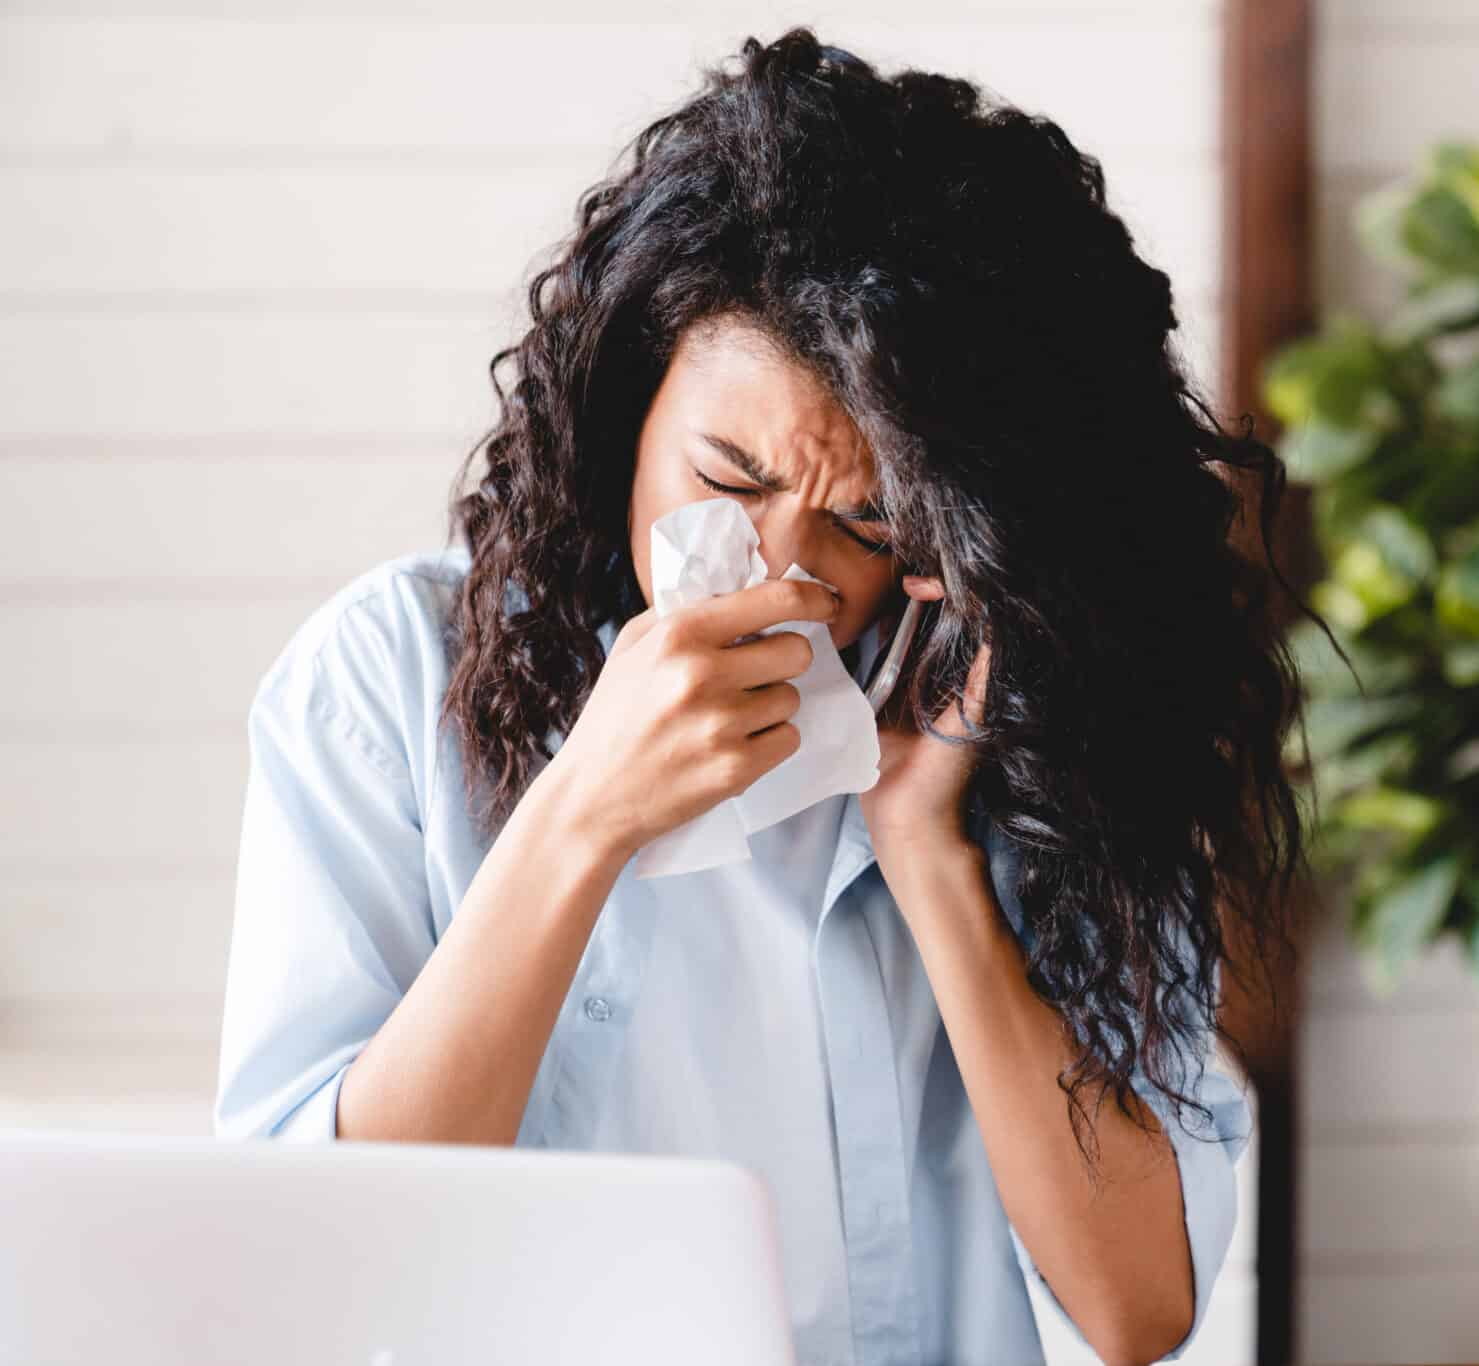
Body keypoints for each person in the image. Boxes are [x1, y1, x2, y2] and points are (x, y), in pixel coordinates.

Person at [214, 26, 1320, 1366]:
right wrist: (582, 816)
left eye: (868, 522)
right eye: (730, 480)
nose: (789, 572)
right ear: (625, 403)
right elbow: (310, 1275)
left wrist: (931, 856)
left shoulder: (1022, 717)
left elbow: (1139, 1304)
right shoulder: (385, 682)